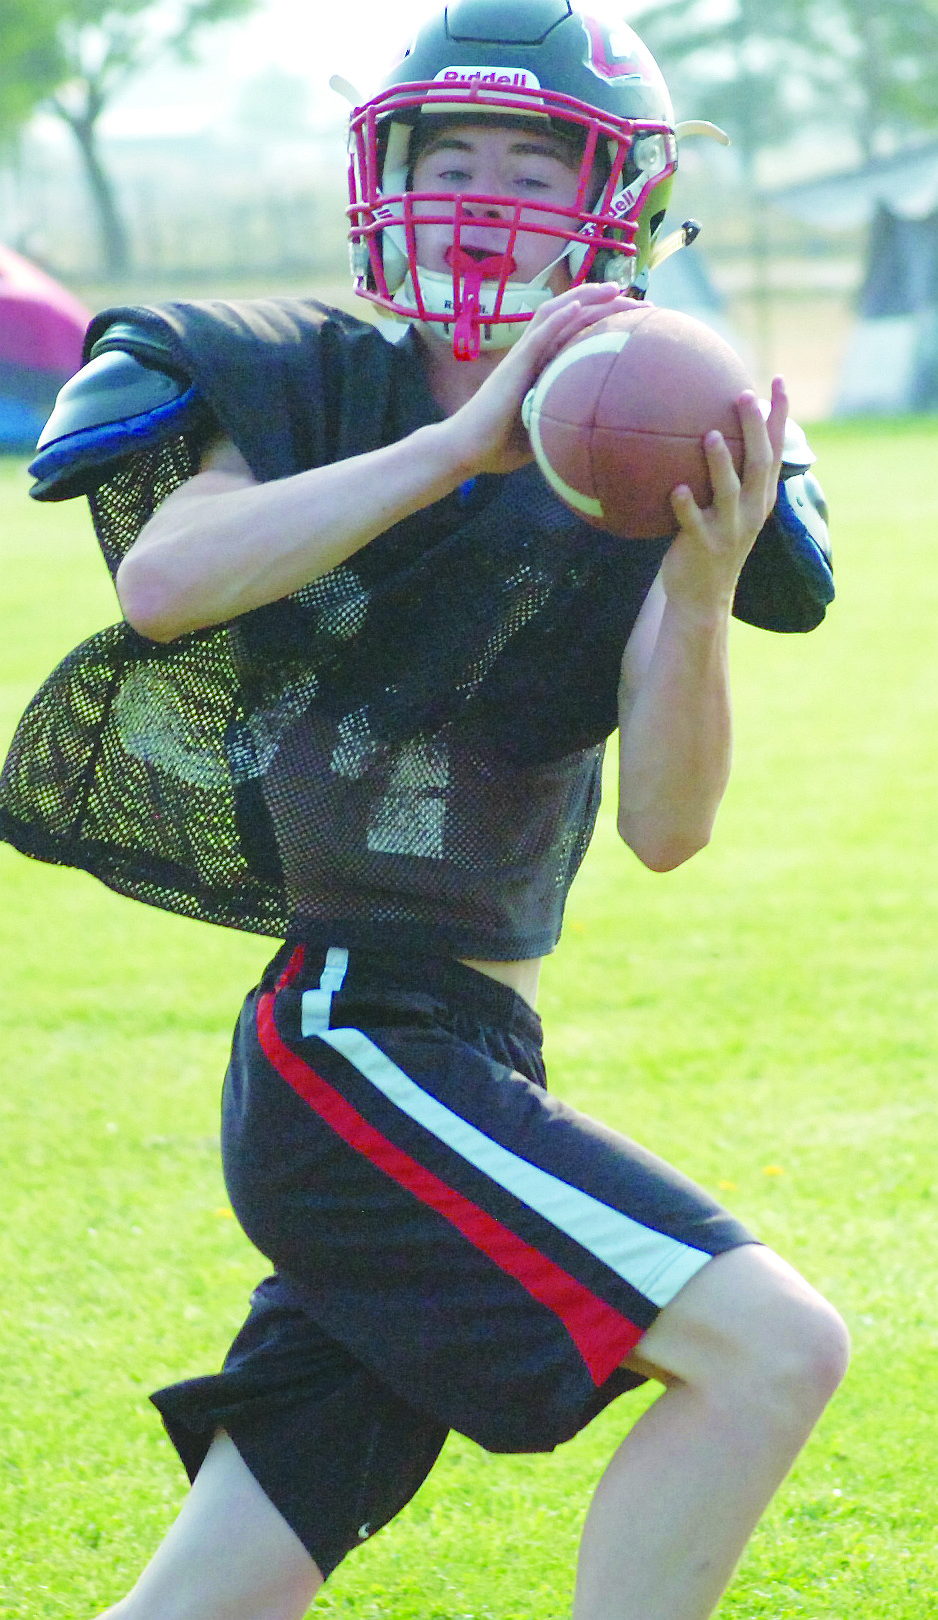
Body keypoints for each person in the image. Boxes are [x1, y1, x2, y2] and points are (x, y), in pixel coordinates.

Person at [0, 4, 846, 1618]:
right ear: (373, 176)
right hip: (346, 1040)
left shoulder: (663, 440)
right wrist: (459, 447)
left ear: (623, 199)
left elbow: (667, 827)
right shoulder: (304, 373)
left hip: (464, 1046)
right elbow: (170, 582)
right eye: (442, 156)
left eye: (531, 161)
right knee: (770, 1349)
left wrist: (699, 577)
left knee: (202, 1606)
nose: (477, 195)